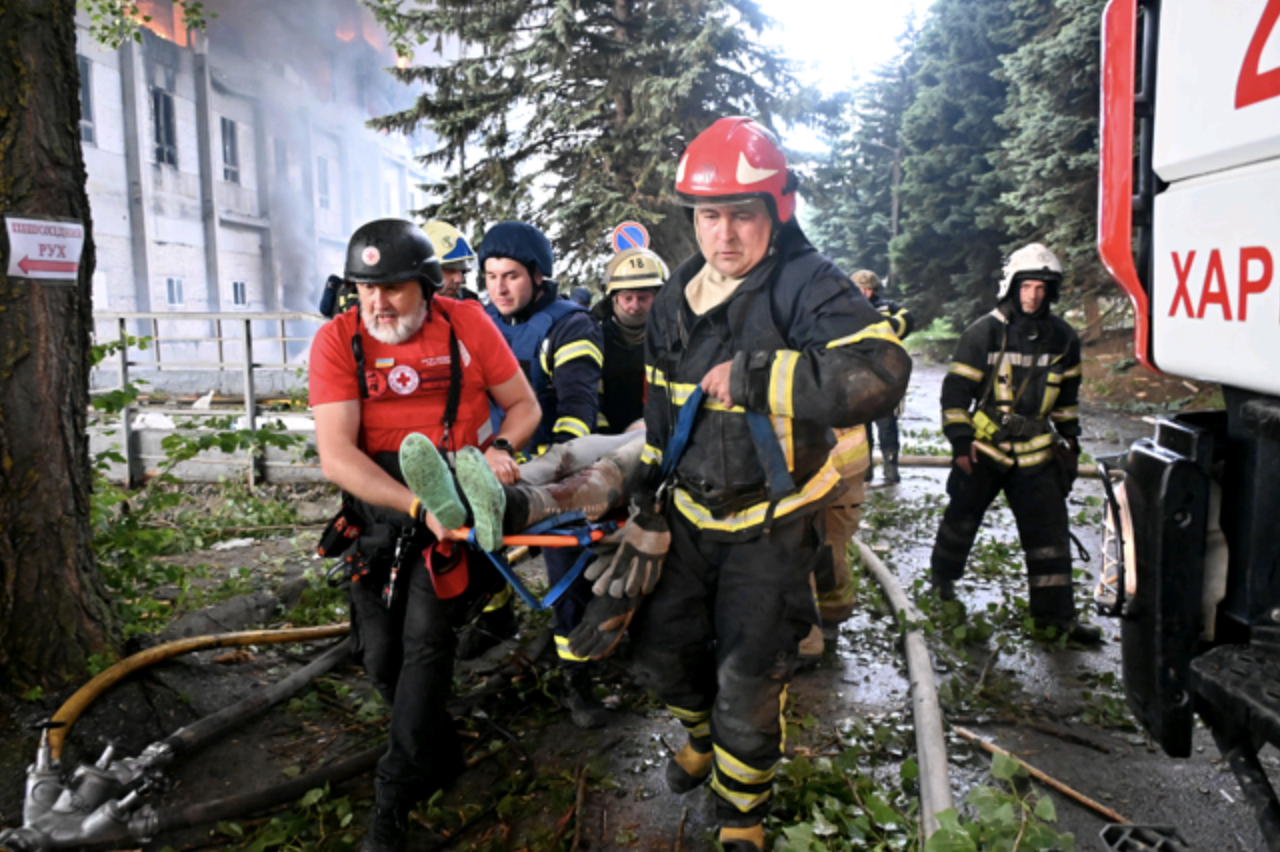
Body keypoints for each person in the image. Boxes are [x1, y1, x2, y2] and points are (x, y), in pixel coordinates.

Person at [572, 117, 912, 852]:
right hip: (690, 515)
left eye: (742, 215)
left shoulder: (806, 284)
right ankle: (698, 736)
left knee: (749, 674)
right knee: (662, 650)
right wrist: (645, 504)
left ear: (776, 212)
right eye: (709, 216)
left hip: (773, 522)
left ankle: (741, 817)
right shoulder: (672, 300)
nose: (724, 235)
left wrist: (762, 376)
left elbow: (882, 372)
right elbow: (660, 415)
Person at [308, 219, 541, 852]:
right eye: (365, 289)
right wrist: (415, 505)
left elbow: (524, 406)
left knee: (425, 644)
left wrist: (497, 448)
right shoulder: (339, 339)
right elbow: (336, 455)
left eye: (392, 290)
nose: (378, 303)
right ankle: (437, 752)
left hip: (454, 508)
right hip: (384, 511)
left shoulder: (466, 325)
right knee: (380, 657)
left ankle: (391, 800)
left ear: (427, 287)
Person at [475, 221, 611, 728]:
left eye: (510, 276)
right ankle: (494, 618)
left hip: (558, 473)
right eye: (490, 277)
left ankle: (578, 681)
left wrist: (549, 471)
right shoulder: (479, 324)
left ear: (537, 275)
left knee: (565, 577)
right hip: (490, 466)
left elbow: (579, 408)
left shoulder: (569, 326)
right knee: (471, 546)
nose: (499, 289)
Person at [929, 243, 1100, 644]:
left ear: (1051, 291)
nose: (1033, 295)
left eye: (1042, 287)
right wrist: (960, 443)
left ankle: (1055, 620)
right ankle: (941, 584)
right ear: (1012, 286)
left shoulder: (1063, 338)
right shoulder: (982, 332)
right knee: (961, 519)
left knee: (1049, 538)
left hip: (1037, 452)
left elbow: (1067, 397)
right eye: (1027, 286)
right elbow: (955, 394)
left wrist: (1071, 442)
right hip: (985, 449)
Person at [593, 248, 667, 434]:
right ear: (614, 299)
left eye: (643, 298)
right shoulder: (596, 338)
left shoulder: (671, 338)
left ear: (658, 298)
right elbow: (589, 398)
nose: (635, 306)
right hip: (608, 439)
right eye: (628, 298)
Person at [851, 269, 914, 484]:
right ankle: (865, 470)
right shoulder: (845, 309)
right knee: (861, 428)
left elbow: (908, 321)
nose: (866, 294)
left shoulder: (889, 307)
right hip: (858, 378)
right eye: (861, 289)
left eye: (870, 289)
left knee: (887, 425)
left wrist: (885, 328)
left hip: (885, 378)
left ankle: (891, 468)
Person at [422, 220, 478, 300]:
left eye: (462, 271)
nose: (459, 279)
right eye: (450, 270)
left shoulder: (470, 303)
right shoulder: (405, 309)